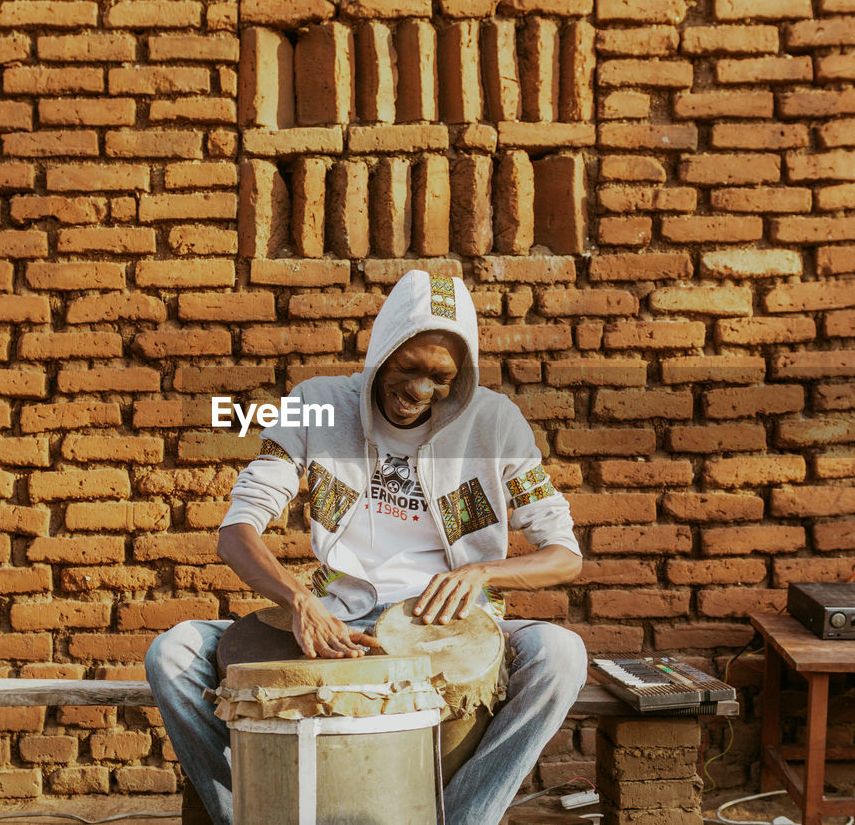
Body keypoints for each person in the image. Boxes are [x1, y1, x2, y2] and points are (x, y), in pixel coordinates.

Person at [145, 270, 587, 825]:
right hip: (335, 616)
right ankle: (247, 815)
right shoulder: (318, 405)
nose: (421, 392)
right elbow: (237, 534)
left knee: (561, 656)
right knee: (171, 654)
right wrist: (300, 602)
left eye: (442, 377)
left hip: (454, 621)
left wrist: (483, 574)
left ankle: (466, 820)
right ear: (382, 352)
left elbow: (564, 554)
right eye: (409, 368)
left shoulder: (495, 423)